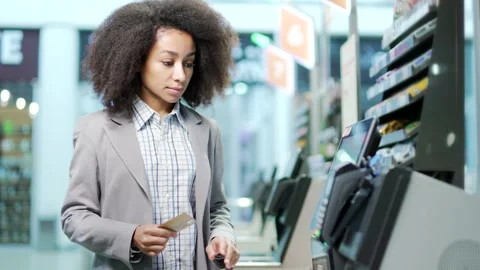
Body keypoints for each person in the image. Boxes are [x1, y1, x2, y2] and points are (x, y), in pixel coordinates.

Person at [60, 0, 240, 269]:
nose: (180, 75)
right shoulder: (95, 130)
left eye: (188, 64)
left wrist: (222, 236)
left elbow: (216, 209)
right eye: (168, 62)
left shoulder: (207, 131)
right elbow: (75, 217)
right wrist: (130, 236)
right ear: (136, 60)